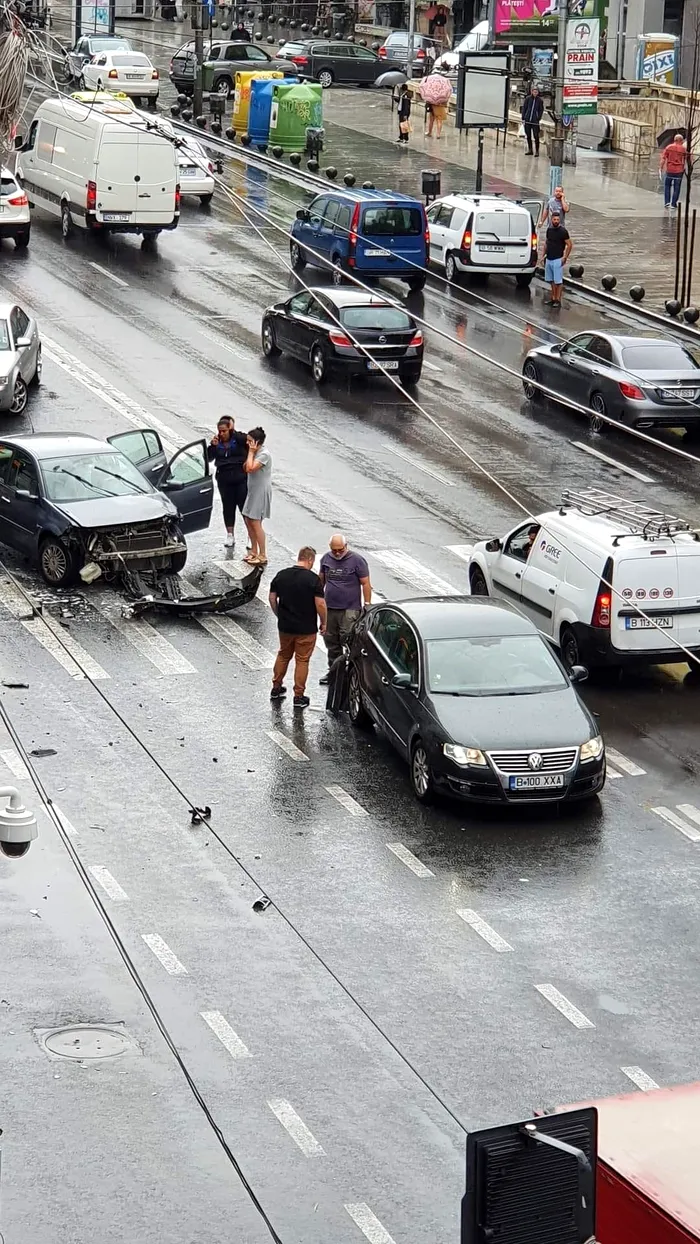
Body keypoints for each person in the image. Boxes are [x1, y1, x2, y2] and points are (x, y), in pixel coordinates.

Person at [269, 546, 326, 710]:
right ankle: (298, 696)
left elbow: (272, 598)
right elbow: (320, 604)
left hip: (285, 627)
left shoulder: (282, 575)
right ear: (310, 560)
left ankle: (276, 687)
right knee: (302, 660)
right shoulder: (313, 579)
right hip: (306, 628)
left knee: (283, 655)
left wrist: (279, 614)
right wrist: (324, 622)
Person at [318, 533, 371, 684]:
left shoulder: (357, 560)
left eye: (340, 550)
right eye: (334, 550)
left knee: (348, 641)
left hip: (350, 609)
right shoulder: (326, 559)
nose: (337, 553)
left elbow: (365, 583)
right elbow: (320, 581)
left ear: (346, 546)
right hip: (329, 609)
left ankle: (350, 674)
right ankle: (334, 672)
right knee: (331, 641)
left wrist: (367, 604)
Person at [207, 416, 248, 549]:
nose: (222, 433)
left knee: (244, 507)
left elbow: (250, 442)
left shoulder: (239, 439)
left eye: (224, 431)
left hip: (240, 478)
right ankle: (230, 534)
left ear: (230, 429)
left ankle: (250, 535)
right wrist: (212, 446)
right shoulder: (216, 443)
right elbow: (208, 458)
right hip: (224, 479)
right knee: (228, 507)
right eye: (220, 431)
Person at [242, 427, 271, 566]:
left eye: (250, 441)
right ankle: (254, 551)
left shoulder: (264, 454)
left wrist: (250, 452)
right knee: (248, 519)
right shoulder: (255, 452)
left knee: (255, 522)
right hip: (252, 490)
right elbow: (245, 466)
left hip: (260, 491)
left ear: (257, 442)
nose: (247, 443)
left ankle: (262, 554)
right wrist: (251, 453)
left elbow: (250, 468)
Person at [544, 210, 572, 308]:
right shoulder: (549, 230)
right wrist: (543, 255)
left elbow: (569, 245)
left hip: (558, 259)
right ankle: (553, 298)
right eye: (554, 219)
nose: (556, 221)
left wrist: (565, 257)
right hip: (549, 258)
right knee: (551, 280)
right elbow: (547, 243)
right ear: (551, 219)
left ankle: (558, 300)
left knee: (558, 281)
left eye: (557, 219)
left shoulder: (563, 231)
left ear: (559, 220)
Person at [660, 133, 687, 209]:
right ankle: (673, 204)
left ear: (674, 140)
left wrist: (661, 167)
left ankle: (667, 202)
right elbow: (689, 159)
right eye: (682, 140)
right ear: (680, 140)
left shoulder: (669, 147)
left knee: (667, 186)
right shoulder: (683, 149)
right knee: (677, 188)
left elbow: (663, 158)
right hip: (679, 171)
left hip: (669, 170)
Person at [521, 85, 544, 157]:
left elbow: (541, 110)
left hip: (535, 121)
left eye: (536, 92)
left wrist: (538, 118)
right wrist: (523, 117)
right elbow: (524, 108)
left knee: (536, 136)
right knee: (528, 135)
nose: (535, 93)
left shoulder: (540, 100)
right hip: (528, 119)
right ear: (532, 92)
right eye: (534, 92)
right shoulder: (528, 99)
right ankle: (530, 150)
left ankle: (537, 151)